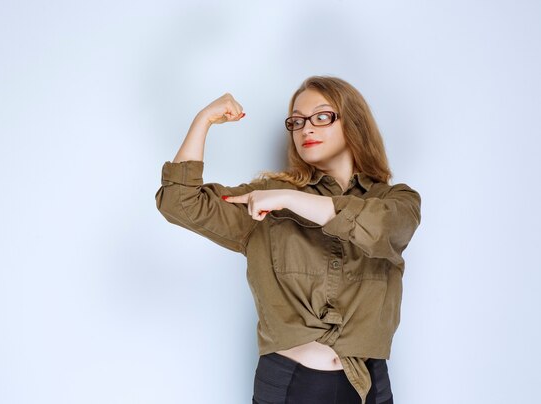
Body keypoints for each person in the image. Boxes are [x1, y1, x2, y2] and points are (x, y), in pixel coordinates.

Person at [155, 76, 421, 404]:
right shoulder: (266, 200)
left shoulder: (395, 199)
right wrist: (203, 120)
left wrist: (293, 200)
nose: (305, 129)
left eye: (322, 117)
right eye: (296, 121)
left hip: (370, 385)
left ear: (354, 123)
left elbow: (385, 228)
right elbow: (179, 202)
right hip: (292, 387)